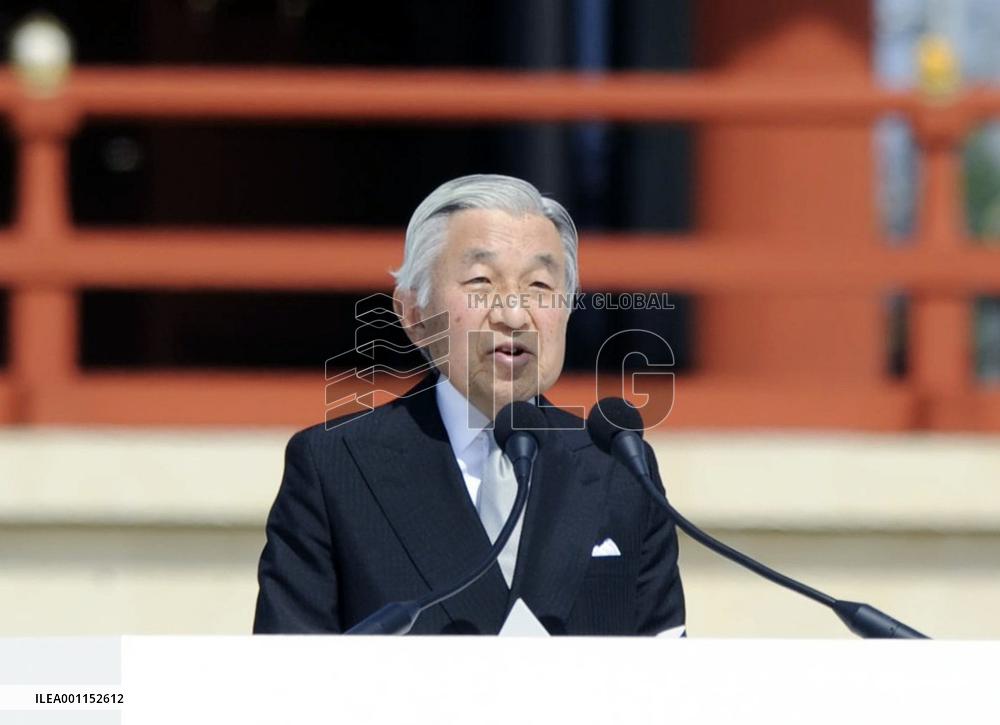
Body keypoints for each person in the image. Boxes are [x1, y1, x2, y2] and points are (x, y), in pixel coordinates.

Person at [253, 174, 684, 634]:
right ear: (415, 315)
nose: (514, 314)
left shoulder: (620, 467)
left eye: (540, 286)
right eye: (481, 281)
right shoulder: (335, 468)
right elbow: (288, 677)